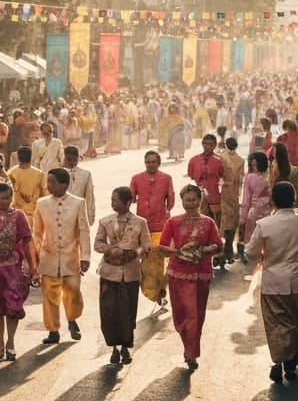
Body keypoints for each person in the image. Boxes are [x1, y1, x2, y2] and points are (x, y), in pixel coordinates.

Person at [245, 181, 298, 382]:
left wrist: (264, 254)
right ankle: (291, 362)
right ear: (294, 198)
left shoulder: (265, 225)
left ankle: (279, 360)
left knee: (276, 324)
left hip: (274, 282)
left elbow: (250, 253)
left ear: (273, 200)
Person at [158, 183, 223, 371]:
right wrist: (179, 253)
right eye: (188, 200)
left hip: (201, 274)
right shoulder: (173, 222)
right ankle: (188, 346)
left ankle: (191, 352)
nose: (191, 203)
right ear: (182, 201)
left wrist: (202, 251)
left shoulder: (208, 222)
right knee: (181, 316)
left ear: (200, 201)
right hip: (178, 274)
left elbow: (218, 246)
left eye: (194, 200)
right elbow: (162, 248)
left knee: (196, 315)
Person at [94, 186, 151, 367]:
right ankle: (114, 348)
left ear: (128, 202)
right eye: (111, 200)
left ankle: (125, 347)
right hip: (109, 273)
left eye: (116, 200)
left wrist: (134, 253)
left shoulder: (140, 222)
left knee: (127, 312)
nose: (112, 203)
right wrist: (111, 251)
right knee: (109, 312)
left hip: (131, 274)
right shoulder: (105, 221)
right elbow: (98, 244)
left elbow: (147, 245)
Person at [35, 167, 91, 345]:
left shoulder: (78, 203)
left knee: (73, 291)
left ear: (64, 184)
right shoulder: (42, 203)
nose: (48, 185)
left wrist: (85, 257)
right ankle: (53, 330)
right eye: (48, 181)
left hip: (70, 256)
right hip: (49, 256)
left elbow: (84, 231)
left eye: (52, 181)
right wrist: (36, 255)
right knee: (49, 295)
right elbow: (36, 232)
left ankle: (72, 318)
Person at [0, 182, 33, 361]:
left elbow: (27, 239)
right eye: (2, 198)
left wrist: (32, 264)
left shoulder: (19, 216)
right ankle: (0, 343)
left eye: (9, 197)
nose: (6, 201)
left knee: (13, 304)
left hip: (13, 266)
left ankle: (10, 342)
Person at [130, 150, 175, 307]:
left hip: (159, 226)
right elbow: (130, 198)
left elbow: (171, 199)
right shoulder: (136, 179)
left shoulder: (166, 178)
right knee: (145, 263)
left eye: (153, 162)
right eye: (148, 162)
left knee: (158, 261)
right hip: (141, 226)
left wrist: (166, 212)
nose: (150, 164)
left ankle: (159, 290)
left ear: (159, 163)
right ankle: (154, 292)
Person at [187, 134, 225, 266]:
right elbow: (192, 177)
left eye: (210, 144)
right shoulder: (193, 160)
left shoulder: (220, 161)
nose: (207, 146)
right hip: (198, 200)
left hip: (215, 197)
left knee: (215, 226)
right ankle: (199, 254)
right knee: (198, 227)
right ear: (202, 144)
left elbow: (223, 177)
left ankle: (217, 255)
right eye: (205, 143)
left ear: (214, 145)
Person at [219, 137, 246, 263]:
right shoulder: (240, 160)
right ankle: (228, 249)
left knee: (221, 221)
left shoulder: (220, 157)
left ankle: (222, 250)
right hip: (233, 194)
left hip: (221, 193)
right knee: (231, 221)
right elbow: (240, 180)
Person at [62, 145, 96, 228]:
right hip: (62, 214)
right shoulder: (58, 173)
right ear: (64, 158)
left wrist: (90, 216)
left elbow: (89, 196)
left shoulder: (85, 174)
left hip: (80, 214)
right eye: (69, 159)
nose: (72, 162)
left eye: (75, 159)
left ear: (78, 159)